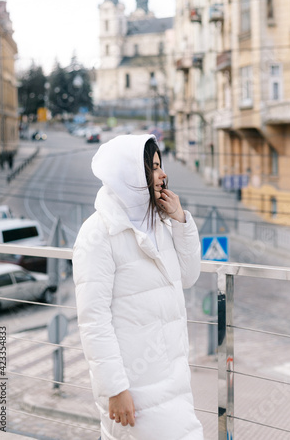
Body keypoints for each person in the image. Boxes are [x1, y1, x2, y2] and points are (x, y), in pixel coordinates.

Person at [72, 134, 204, 440]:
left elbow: (188, 276)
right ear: (132, 173)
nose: (163, 174)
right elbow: (94, 320)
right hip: (134, 386)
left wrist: (181, 220)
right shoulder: (98, 233)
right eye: (154, 167)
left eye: (161, 166)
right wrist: (115, 388)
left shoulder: (159, 222)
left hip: (173, 380)